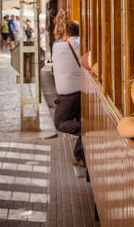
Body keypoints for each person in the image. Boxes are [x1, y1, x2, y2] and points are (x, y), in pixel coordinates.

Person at [52, 20, 85, 167]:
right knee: (80, 122)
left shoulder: (57, 47)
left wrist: (59, 20)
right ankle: (80, 157)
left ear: (66, 33)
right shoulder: (85, 44)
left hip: (68, 96)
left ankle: (87, 130)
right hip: (82, 93)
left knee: (60, 123)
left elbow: (55, 35)